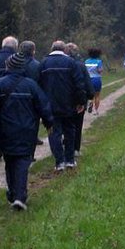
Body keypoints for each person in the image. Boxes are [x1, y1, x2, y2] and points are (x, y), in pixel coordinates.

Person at [0, 53, 53, 211]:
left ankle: (13, 193)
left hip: (5, 130)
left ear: (8, 66)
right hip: (27, 129)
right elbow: (43, 105)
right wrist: (49, 122)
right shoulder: (31, 85)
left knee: (10, 161)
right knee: (22, 161)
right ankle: (20, 196)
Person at [38, 40, 86, 171]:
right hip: (68, 104)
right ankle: (70, 160)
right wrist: (81, 101)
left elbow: (39, 85)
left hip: (50, 105)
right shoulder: (71, 63)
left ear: (52, 49)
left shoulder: (43, 63)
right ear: (64, 50)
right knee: (70, 131)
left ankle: (59, 162)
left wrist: (41, 105)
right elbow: (79, 83)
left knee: (53, 133)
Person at [65, 43, 95, 157]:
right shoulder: (80, 65)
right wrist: (90, 96)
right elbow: (87, 81)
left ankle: (66, 144)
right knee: (78, 125)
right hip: (78, 98)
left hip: (65, 99)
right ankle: (75, 148)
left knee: (65, 123)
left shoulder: (63, 64)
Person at [20, 40, 44, 151]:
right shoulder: (37, 65)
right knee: (34, 121)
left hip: (16, 96)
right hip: (33, 97)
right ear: (33, 51)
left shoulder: (14, 63)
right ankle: (31, 148)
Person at [84, 48, 103, 116]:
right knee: (97, 95)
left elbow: (84, 70)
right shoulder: (99, 61)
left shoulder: (86, 61)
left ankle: (90, 102)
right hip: (96, 79)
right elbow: (99, 71)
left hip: (88, 79)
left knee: (89, 94)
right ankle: (96, 110)